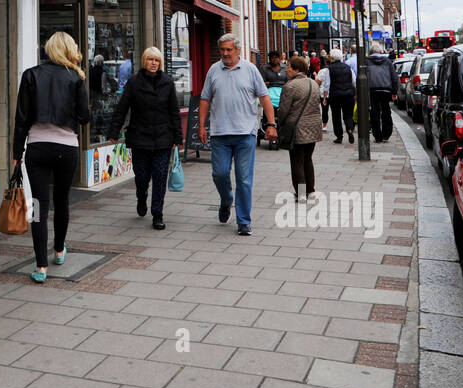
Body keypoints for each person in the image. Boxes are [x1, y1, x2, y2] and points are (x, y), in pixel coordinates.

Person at [12, 32, 91, 283]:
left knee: (37, 206)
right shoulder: (76, 78)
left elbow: (21, 118)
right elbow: (84, 117)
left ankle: (41, 266)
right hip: (67, 148)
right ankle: (59, 249)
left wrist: (17, 153)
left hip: (37, 147)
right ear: (69, 49)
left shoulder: (31, 75)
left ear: (48, 49)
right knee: (62, 200)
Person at [198, 33, 276, 236]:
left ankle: (243, 221)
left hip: (245, 133)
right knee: (220, 173)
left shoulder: (250, 70)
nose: (225, 53)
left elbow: (265, 97)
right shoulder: (214, 70)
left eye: (229, 50)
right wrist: (201, 126)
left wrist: (271, 124)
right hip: (220, 133)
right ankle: (226, 200)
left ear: (238, 50)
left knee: (244, 179)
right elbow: (205, 99)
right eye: (222, 50)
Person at [108, 46, 182, 230]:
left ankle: (158, 214)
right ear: (144, 61)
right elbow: (122, 108)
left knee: (159, 176)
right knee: (141, 176)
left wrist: (178, 137)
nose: (154, 63)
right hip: (140, 137)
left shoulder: (168, 82)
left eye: (157, 60)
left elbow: (174, 111)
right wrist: (113, 132)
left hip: (163, 138)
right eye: (150, 59)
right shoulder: (133, 83)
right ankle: (142, 197)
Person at [277, 56, 323, 200]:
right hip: (314, 127)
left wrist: (280, 124)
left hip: (297, 128)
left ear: (296, 69)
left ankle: (301, 193)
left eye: (289, 66)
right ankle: (311, 190)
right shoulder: (314, 84)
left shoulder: (290, 86)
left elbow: (283, 110)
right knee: (308, 159)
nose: (287, 69)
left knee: (297, 161)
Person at [320, 48, 356, 144]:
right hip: (348, 95)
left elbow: (327, 85)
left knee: (336, 116)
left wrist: (324, 97)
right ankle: (349, 129)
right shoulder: (348, 67)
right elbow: (354, 82)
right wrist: (355, 94)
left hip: (335, 96)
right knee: (348, 115)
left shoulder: (329, 69)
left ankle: (339, 136)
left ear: (331, 57)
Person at [367, 42, 397, 143]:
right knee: (386, 111)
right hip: (385, 89)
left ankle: (377, 136)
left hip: (372, 90)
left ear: (371, 52)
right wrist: (394, 91)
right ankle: (386, 134)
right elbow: (394, 77)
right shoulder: (387, 61)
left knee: (374, 113)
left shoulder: (367, 61)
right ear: (380, 52)